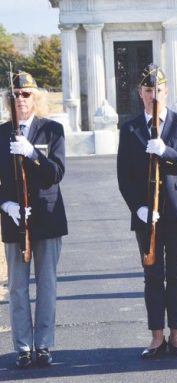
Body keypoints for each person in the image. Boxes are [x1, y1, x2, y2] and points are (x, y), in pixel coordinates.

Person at [117, 64, 177, 358]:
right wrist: (138, 208)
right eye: (147, 90)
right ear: (140, 93)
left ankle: (176, 335)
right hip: (146, 213)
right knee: (152, 274)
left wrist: (166, 151)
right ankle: (157, 336)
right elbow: (124, 176)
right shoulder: (129, 128)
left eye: (158, 90)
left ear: (166, 92)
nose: (153, 95)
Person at [0, 71, 67, 368]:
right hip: (15, 218)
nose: (20, 100)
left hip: (47, 217)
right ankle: (23, 347)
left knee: (47, 285)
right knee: (16, 287)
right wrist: (5, 204)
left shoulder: (52, 130)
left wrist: (32, 154)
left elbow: (56, 173)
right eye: (15, 95)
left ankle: (43, 345)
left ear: (35, 98)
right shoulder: (1, 134)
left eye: (26, 94)